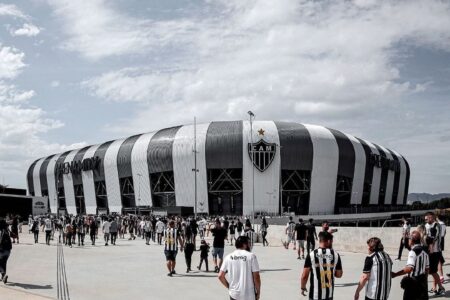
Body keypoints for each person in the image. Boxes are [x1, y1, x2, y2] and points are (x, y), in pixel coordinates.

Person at [300, 231, 343, 300]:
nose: (332, 243)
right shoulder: (335, 255)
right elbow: (339, 275)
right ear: (328, 241)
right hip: (329, 295)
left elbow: (304, 276)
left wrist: (303, 287)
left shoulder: (312, 254)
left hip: (315, 295)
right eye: (332, 241)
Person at [218, 236, 261, 300]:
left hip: (234, 294)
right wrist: (258, 292)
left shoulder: (228, 257)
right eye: (249, 243)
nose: (250, 245)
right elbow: (256, 277)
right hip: (249, 295)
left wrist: (229, 287)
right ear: (244, 245)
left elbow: (220, 276)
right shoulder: (251, 256)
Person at [392, 231, 429, 300]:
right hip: (423, 281)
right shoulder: (425, 251)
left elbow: (409, 268)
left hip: (413, 282)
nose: (408, 240)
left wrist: (395, 274)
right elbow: (427, 268)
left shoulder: (413, 252)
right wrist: (425, 281)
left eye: (409, 238)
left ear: (412, 240)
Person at [424, 212, 445, 295]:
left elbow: (434, 238)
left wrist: (428, 243)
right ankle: (435, 288)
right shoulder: (426, 225)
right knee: (432, 271)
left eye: (427, 219)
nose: (425, 220)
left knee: (432, 271)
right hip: (428, 251)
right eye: (425, 219)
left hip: (434, 252)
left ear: (431, 217)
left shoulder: (437, 225)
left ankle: (441, 287)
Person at [0, 219, 12, 284]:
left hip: (2, 250)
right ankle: (3, 277)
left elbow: (0, 240)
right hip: (8, 250)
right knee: (3, 263)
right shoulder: (6, 230)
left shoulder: (1, 231)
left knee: (1, 263)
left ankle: (3, 275)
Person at [436, 215, 446, 283]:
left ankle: (441, 261)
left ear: (438, 218)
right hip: (442, 238)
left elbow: (437, 233)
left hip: (438, 239)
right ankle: (441, 260)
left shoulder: (438, 224)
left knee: (438, 253)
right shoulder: (444, 224)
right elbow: (445, 233)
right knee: (440, 252)